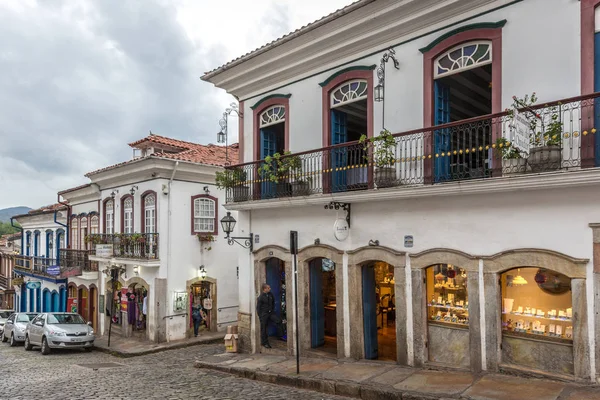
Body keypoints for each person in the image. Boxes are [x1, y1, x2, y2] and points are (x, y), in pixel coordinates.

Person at [256, 283, 284, 348]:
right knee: (264, 328)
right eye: (268, 288)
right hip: (264, 314)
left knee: (278, 321)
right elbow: (258, 308)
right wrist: (260, 316)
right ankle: (264, 342)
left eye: (269, 287)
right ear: (264, 289)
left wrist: (272, 310)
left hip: (271, 313)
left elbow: (273, 302)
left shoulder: (270, 295)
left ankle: (280, 336)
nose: (270, 289)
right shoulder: (261, 297)